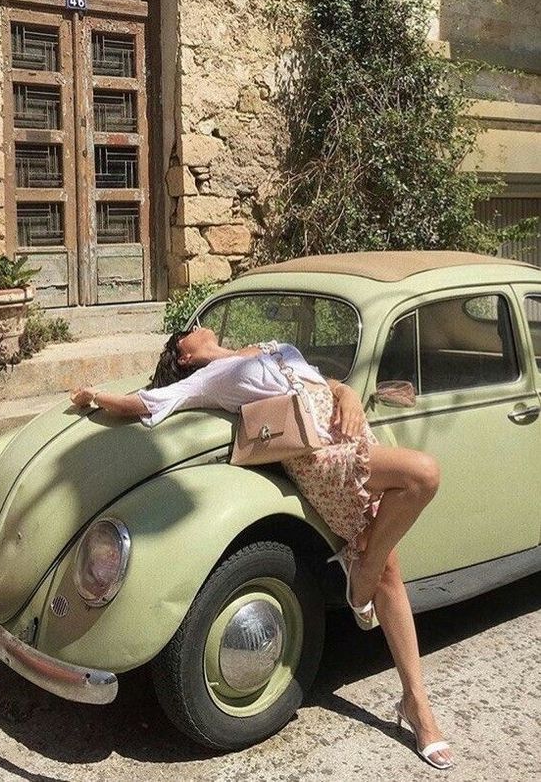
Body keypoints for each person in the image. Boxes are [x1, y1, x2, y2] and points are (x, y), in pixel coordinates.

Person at [71, 327, 453, 769]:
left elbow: (318, 383)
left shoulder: (261, 349)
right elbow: (148, 404)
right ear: (186, 353)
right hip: (321, 458)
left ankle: (416, 704)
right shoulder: (210, 377)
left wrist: (346, 393)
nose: (198, 325)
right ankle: (361, 576)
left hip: (355, 437)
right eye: (187, 333)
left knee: (389, 572)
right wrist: (97, 395)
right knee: (423, 473)